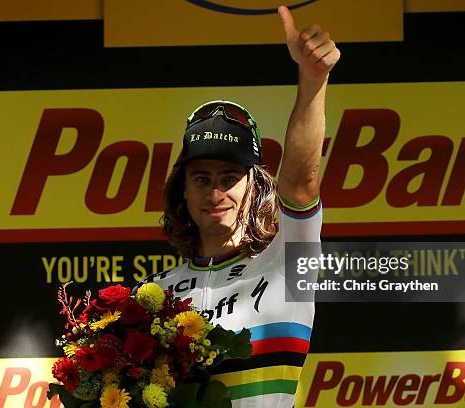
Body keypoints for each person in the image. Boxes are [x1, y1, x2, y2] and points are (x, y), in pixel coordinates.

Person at [141, 6, 340, 407]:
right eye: (201, 179)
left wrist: (313, 80)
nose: (216, 192)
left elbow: (300, 182)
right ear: (183, 191)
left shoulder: (286, 263)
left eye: (230, 177)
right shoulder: (152, 295)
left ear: (255, 187)